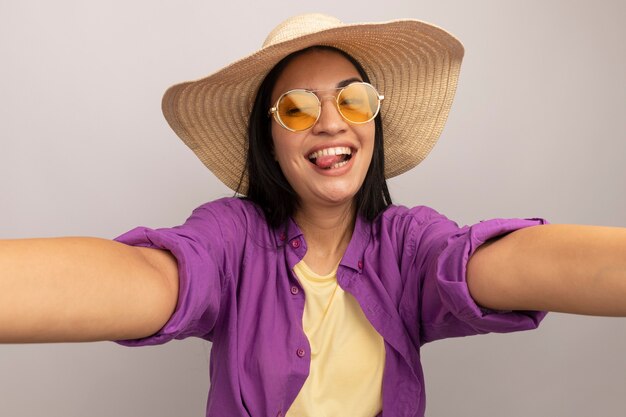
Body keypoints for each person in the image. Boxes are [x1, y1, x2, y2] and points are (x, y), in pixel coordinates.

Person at [1, 12, 625, 417]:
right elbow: (159, 278)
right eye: (296, 109)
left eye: (353, 100)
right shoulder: (232, 238)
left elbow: (489, 265)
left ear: (373, 122)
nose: (331, 122)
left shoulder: (408, 244)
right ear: (267, 139)